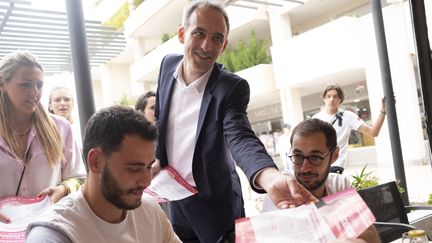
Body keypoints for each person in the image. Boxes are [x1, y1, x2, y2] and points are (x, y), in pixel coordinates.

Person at [154, 1, 315, 242]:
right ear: (182, 34)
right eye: (199, 33)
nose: (207, 45)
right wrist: (154, 159)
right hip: (172, 196)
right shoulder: (167, 65)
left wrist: (270, 178)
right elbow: (160, 118)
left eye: (217, 38)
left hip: (214, 203)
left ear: (224, 46)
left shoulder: (231, 87)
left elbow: (239, 136)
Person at [26, 106, 181, 243]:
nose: (147, 181)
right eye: (134, 168)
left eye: (149, 167)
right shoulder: (53, 234)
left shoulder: (149, 209)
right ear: (96, 161)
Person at [262, 119, 381, 242]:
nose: (304, 168)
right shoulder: (281, 193)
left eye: (315, 157)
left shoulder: (339, 185)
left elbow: (372, 237)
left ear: (334, 156)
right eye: (298, 156)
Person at [0, 51, 85, 224]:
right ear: (2, 84)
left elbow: (80, 178)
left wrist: (63, 189)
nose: (35, 92)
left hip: (49, 227)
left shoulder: (61, 127)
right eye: (25, 85)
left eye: (39, 85)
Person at [312, 84, 386, 173]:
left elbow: (373, 132)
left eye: (335, 96)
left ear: (340, 99)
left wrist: (383, 112)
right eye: (329, 96)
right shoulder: (316, 119)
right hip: (317, 164)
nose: (332, 99)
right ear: (324, 98)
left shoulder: (348, 116)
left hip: (336, 165)